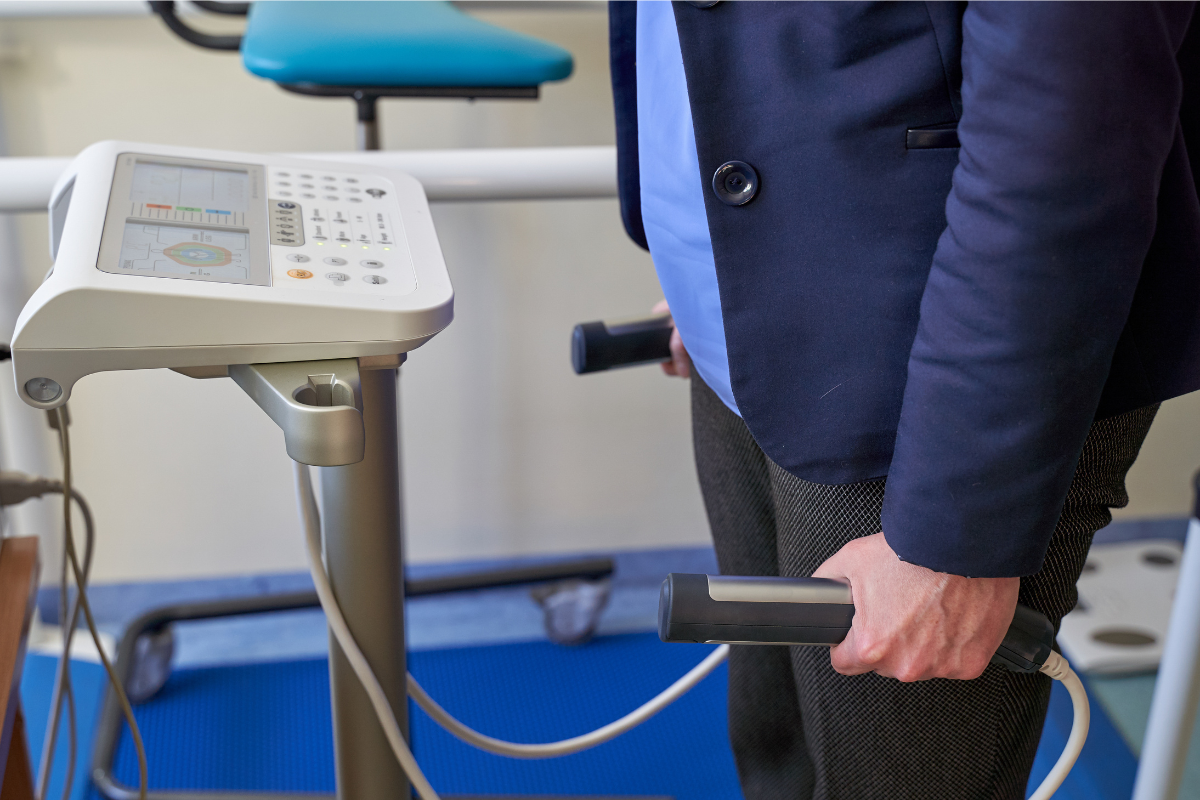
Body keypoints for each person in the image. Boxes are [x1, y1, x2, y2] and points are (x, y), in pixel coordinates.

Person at [608, 2, 1200, 798]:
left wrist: (954, 534)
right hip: (746, 312)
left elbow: (1066, 123)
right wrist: (702, 255)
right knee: (776, 752)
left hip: (929, 374)